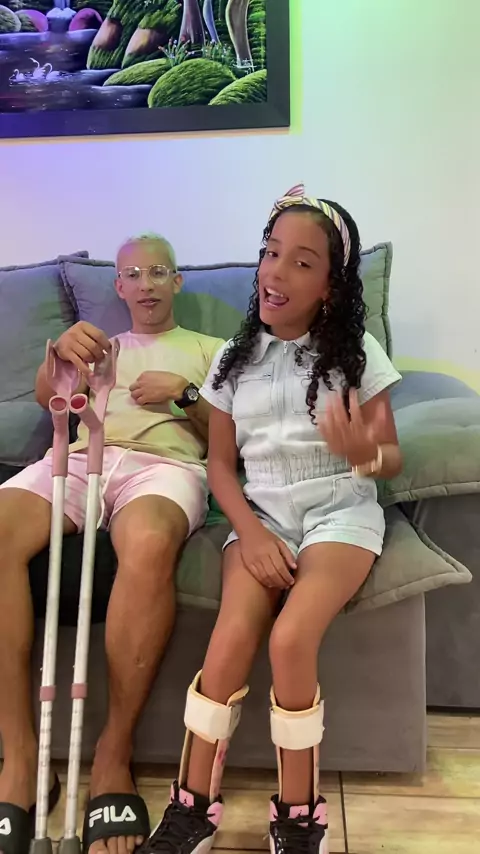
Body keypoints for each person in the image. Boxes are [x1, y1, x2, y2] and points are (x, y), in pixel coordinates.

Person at [140, 186, 403, 854]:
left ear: (331, 287)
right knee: (228, 642)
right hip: (261, 515)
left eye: (302, 262)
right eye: (270, 252)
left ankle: (299, 814)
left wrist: (362, 451)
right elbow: (220, 466)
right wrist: (252, 534)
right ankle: (192, 808)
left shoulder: (357, 352)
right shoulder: (235, 357)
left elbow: (389, 457)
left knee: (289, 640)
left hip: (339, 511)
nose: (276, 272)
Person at [0, 233, 224, 854]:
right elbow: (49, 399)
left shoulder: (210, 349)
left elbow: (230, 435)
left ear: (177, 281)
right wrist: (57, 361)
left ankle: (112, 756)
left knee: (149, 543)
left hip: (164, 466)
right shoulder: (99, 346)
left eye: (158, 272)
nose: (146, 284)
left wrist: (185, 394)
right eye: (133, 275)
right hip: (80, 458)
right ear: (119, 287)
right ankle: (19, 759)